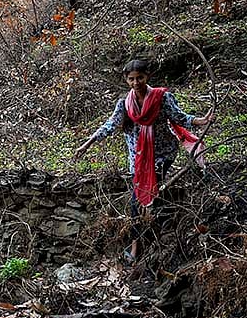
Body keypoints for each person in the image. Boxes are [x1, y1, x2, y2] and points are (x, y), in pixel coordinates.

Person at [74, 59, 214, 264]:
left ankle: (154, 242)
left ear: (147, 76)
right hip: (138, 158)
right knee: (138, 200)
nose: (136, 82)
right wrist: (87, 144)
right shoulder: (124, 104)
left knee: (144, 196)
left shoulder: (162, 98)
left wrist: (199, 121)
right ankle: (139, 242)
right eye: (131, 79)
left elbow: (178, 117)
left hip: (162, 153)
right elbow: (110, 125)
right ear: (126, 80)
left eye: (140, 78)